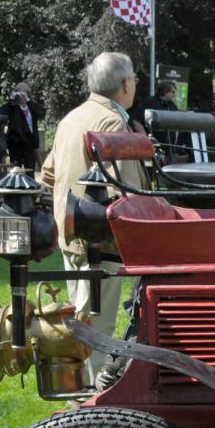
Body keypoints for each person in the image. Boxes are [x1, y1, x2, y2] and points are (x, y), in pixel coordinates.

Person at [40, 51, 143, 382]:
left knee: (82, 319)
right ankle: (93, 406)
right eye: (134, 80)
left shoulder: (72, 118)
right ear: (125, 84)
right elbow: (124, 191)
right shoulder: (113, 122)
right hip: (101, 241)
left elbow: (48, 173)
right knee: (96, 328)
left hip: (72, 237)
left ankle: (82, 393)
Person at [1, 82, 44, 169]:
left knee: (30, 169)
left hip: (30, 142)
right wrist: (12, 100)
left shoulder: (31, 106)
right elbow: (1, 112)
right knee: (16, 170)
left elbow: (40, 114)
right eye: (19, 93)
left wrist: (28, 100)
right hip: (15, 142)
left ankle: (30, 183)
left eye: (24, 93)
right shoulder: (12, 106)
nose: (21, 96)